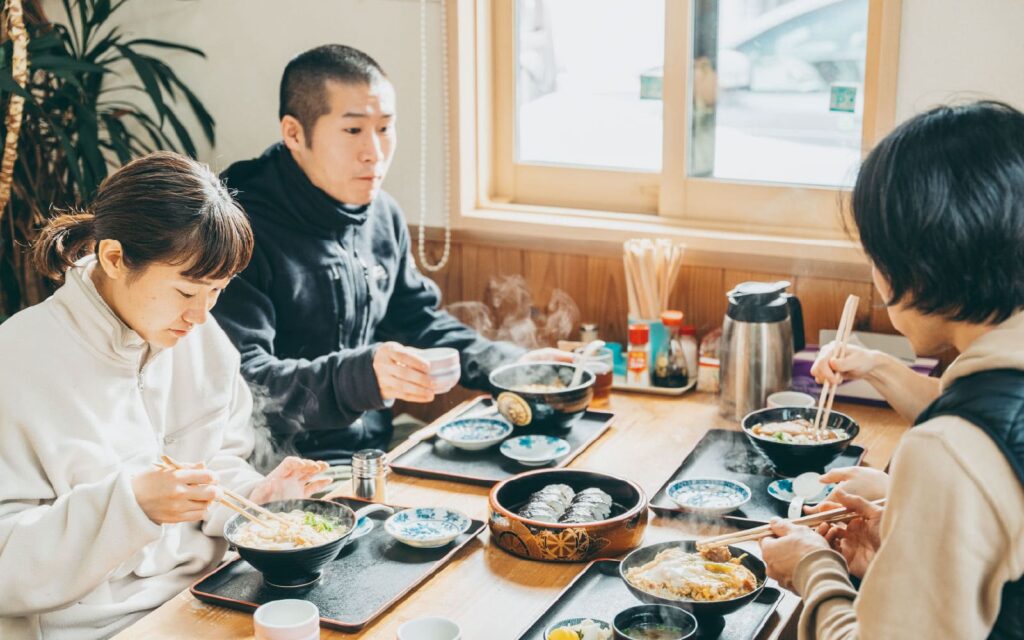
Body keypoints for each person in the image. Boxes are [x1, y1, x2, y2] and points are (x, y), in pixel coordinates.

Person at [0, 152, 330, 640]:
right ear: (114, 259)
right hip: (100, 626)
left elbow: (215, 464)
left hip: (213, 591)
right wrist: (130, 506)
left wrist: (254, 498)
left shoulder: (198, 337)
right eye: (186, 292)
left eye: (217, 291)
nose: (201, 315)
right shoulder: (17, 360)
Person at [213, 44, 568, 465]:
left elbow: (417, 322)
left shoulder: (382, 214)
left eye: (385, 128)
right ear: (293, 133)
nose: (375, 152)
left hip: (376, 448)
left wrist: (512, 366)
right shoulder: (235, 230)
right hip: (282, 467)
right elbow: (244, 384)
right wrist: (361, 377)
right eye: (353, 130)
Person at [759, 101, 1024, 639]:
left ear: (920, 264)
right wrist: (905, 519)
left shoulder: (951, 449)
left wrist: (814, 568)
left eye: (875, 253)